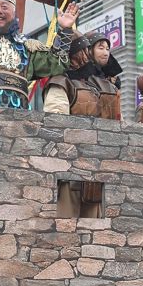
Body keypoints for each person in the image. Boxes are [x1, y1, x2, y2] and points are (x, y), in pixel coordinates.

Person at [42, 32, 104, 218]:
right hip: (69, 165)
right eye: (83, 50)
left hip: (92, 162)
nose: (87, 55)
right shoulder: (60, 82)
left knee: (93, 221)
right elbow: (56, 124)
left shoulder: (91, 84)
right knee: (66, 220)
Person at [85, 31, 122, 119]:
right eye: (101, 48)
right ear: (89, 50)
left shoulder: (111, 82)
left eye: (107, 49)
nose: (106, 53)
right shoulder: (79, 78)